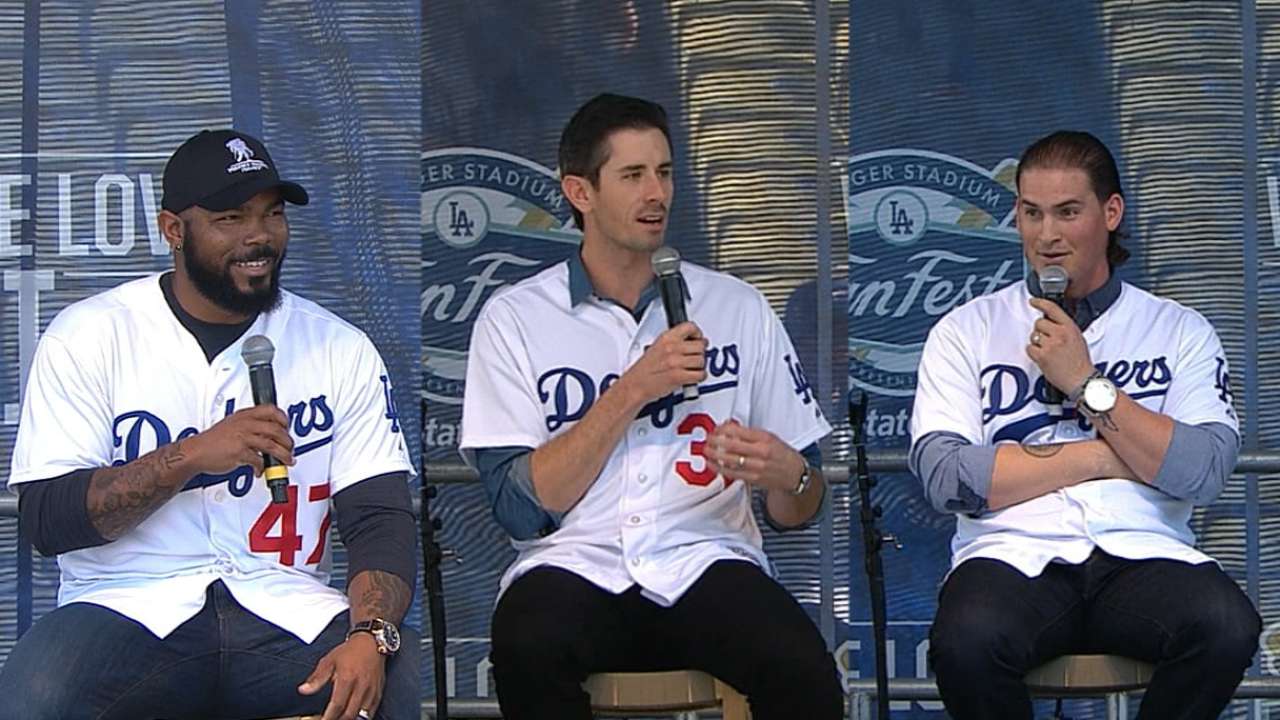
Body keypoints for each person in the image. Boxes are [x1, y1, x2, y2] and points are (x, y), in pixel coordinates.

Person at [0, 129, 420, 720]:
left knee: (387, 683)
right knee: (36, 694)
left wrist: (370, 635)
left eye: (272, 215)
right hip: (128, 609)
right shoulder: (91, 334)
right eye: (231, 217)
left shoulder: (336, 347)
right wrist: (192, 456)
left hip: (281, 607)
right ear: (174, 229)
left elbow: (378, 516)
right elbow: (48, 519)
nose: (259, 236)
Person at [459, 93, 844, 720]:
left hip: (706, 558)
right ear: (580, 192)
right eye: (633, 176)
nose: (656, 194)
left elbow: (801, 507)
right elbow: (520, 510)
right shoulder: (515, 318)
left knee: (803, 669)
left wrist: (789, 475)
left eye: (664, 173)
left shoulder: (738, 306)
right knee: (527, 644)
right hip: (575, 565)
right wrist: (632, 389)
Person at [909, 129, 1260, 719]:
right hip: (1010, 553)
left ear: (1111, 212)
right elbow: (948, 479)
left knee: (1226, 625)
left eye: (1068, 212)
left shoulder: (1178, 329)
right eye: (1031, 213)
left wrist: (1086, 386)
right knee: (966, 641)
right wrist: (1109, 456)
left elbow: (1201, 470)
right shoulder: (965, 329)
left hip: (1144, 552)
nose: (1047, 236)